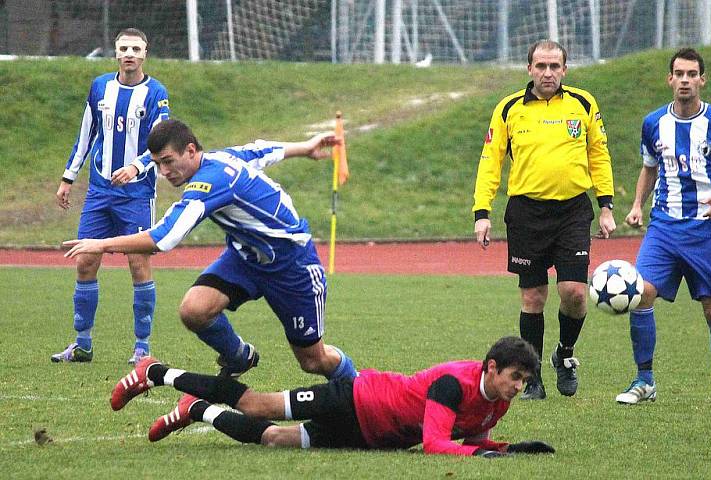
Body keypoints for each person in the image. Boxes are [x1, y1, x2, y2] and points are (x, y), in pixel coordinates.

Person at [63, 119, 357, 383]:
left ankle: (361, 389)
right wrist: (304, 148)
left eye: (168, 161)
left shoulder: (210, 182)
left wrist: (101, 244)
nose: (165, 172)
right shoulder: (219, 158)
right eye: (157, 165)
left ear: (190, 150)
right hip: (245, 258)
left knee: (313, 361)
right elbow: (260, 151)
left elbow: (165, 237)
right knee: (194, 311)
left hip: (291, 264)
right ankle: (239, 356)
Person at [110, 336, 555, 457]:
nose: (517, 388)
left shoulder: (498, 401)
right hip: (358, 399)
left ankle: (198, 409)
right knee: (257, 405)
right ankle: (157, 372)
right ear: (491, 368)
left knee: (273, 439)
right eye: (514, 377)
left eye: (523, 382)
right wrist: (485, 458)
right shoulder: (453, 383)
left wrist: (507, 448)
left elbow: (469, 435)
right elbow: (438, 443)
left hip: (372, 437)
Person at [472, 40, 616, 400]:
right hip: (526, 212)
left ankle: (564, 355)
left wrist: (606, 205)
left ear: (565, 70)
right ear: (529, 69)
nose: (548, 73)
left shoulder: (583, 104)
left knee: (575, 293)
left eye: (555, 66)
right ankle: (532, 378)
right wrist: (482, 212)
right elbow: (491, 161)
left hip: (572, 210)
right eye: (541, 66)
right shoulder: (508, 109)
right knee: (533, 296)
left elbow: (598, 153)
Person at [616, 48, 711, 408]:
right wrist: (636, 205)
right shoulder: (653, 123)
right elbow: (649, 167)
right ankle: (644, 380)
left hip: (706, 230)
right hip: (663, 227)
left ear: (702, 80)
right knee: (641, 293)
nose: (684, 80)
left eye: (691, 74)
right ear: (669, 79)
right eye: (678, 73)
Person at [52, 28, 170, 365]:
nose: (129, 53)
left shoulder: (156, 92)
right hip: (99, 190)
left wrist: (135, 167)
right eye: (123, 48)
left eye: (135, 48)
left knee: (138, 263)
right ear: (115, 53)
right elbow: (86, 134)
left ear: (145, 53)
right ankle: (82, 344)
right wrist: (67, 177)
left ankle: (142, 348)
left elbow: (161, 141)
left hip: (136, 193)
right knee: (86, 260)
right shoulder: (100, 87)